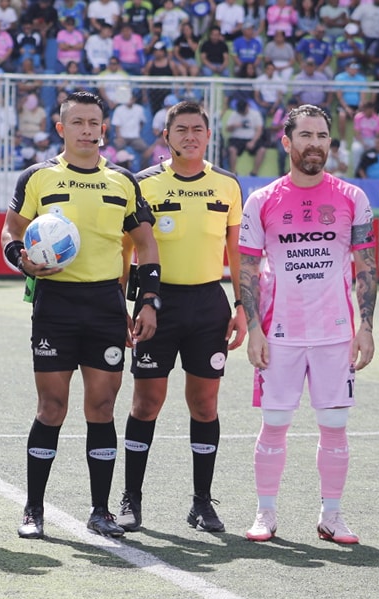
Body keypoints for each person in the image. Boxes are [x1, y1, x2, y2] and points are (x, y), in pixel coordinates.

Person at [0, 90, 160, 539]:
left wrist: (147, 301)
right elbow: (9, 231)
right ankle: (33, 509)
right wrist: (20, 259)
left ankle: (101, 510)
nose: (87, 130)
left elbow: (147, 246)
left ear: (103, 129)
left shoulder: (123, 181)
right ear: (61, 128)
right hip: (55, 303)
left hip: (105, 305)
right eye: (78, 123)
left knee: (102, 407)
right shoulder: (38, 178)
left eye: (94, 123)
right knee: (51, 406)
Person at [239, 104, 377, 544]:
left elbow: (366, 267)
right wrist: (254, 328)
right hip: (279, 335)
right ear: (287, 142)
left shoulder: (353, 198)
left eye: (322, 136)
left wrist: (367, 326)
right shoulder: (262, 200)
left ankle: (331, 515)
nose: (315, 144)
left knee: (334, 426)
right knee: (275, 423)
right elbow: (246, 270)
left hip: (336, 334)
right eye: (306, 135)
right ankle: (265, 513)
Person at [114, 101, 246, 534]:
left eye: (198, 129)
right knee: (146, 403)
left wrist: (242, 307)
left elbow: (236, 253)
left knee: (205, 405)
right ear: (166, 137)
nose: (190, 136)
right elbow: (126, 251)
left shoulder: (227, 185)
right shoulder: (144, 184)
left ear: (208, 135)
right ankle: (130, 498)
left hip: (209, 305)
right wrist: (122, 305)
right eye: (181, 129)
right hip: (157, 304)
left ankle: (202, 503)